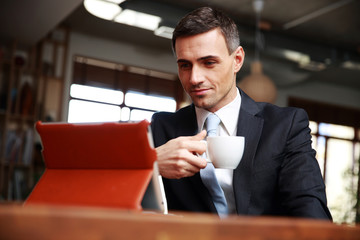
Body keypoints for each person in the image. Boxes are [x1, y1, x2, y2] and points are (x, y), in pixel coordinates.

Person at [150, 6, 332, 220]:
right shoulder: (162, 127)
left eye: (209, 63)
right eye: (185, 65)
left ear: (237, 60)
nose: (194, 78)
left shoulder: (286, 125)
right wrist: (151, 162)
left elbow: (311, 211)